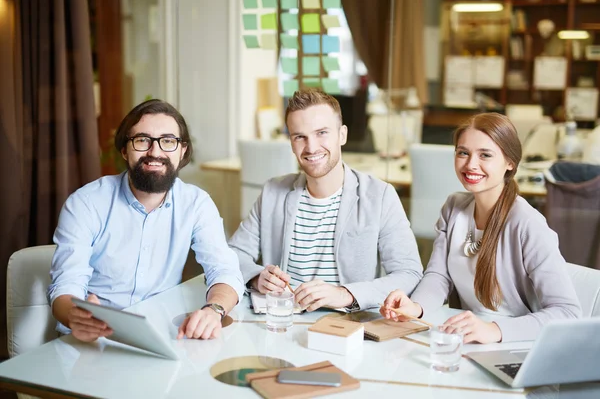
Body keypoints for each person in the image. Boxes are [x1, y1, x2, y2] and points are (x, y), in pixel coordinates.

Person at [47, 99, 244, 342]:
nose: (155, 152)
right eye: (142, 140)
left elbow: (225, 270)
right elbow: (65, 286)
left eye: (168, 141)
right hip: (90, 339)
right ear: (124, 150)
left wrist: (214, 310)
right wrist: (75, 316)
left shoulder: (196, 204)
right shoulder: (86, 203)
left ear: (182, 151)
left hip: (156, 337)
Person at [380, 112, 581, 343]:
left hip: (517, 344)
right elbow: (439, 275)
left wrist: (493, 330)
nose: (470, 164)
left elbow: (566, 312)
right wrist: (415, 307)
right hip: (466, 339)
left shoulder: (528, 224)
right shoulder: (454, 207)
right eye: (463, 153)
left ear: (510, 162)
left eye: (485, 155)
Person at [228, 88, 422, 312]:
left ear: (342, 135)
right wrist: (256, 278)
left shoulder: (379, 196)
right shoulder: (273, 192)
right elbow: (233, 255)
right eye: (300, 136)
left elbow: (409, 273)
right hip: (282, 322)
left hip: (347, 327)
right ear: (291, 142)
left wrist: (345, 294)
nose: (311, 147)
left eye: (321, 133)